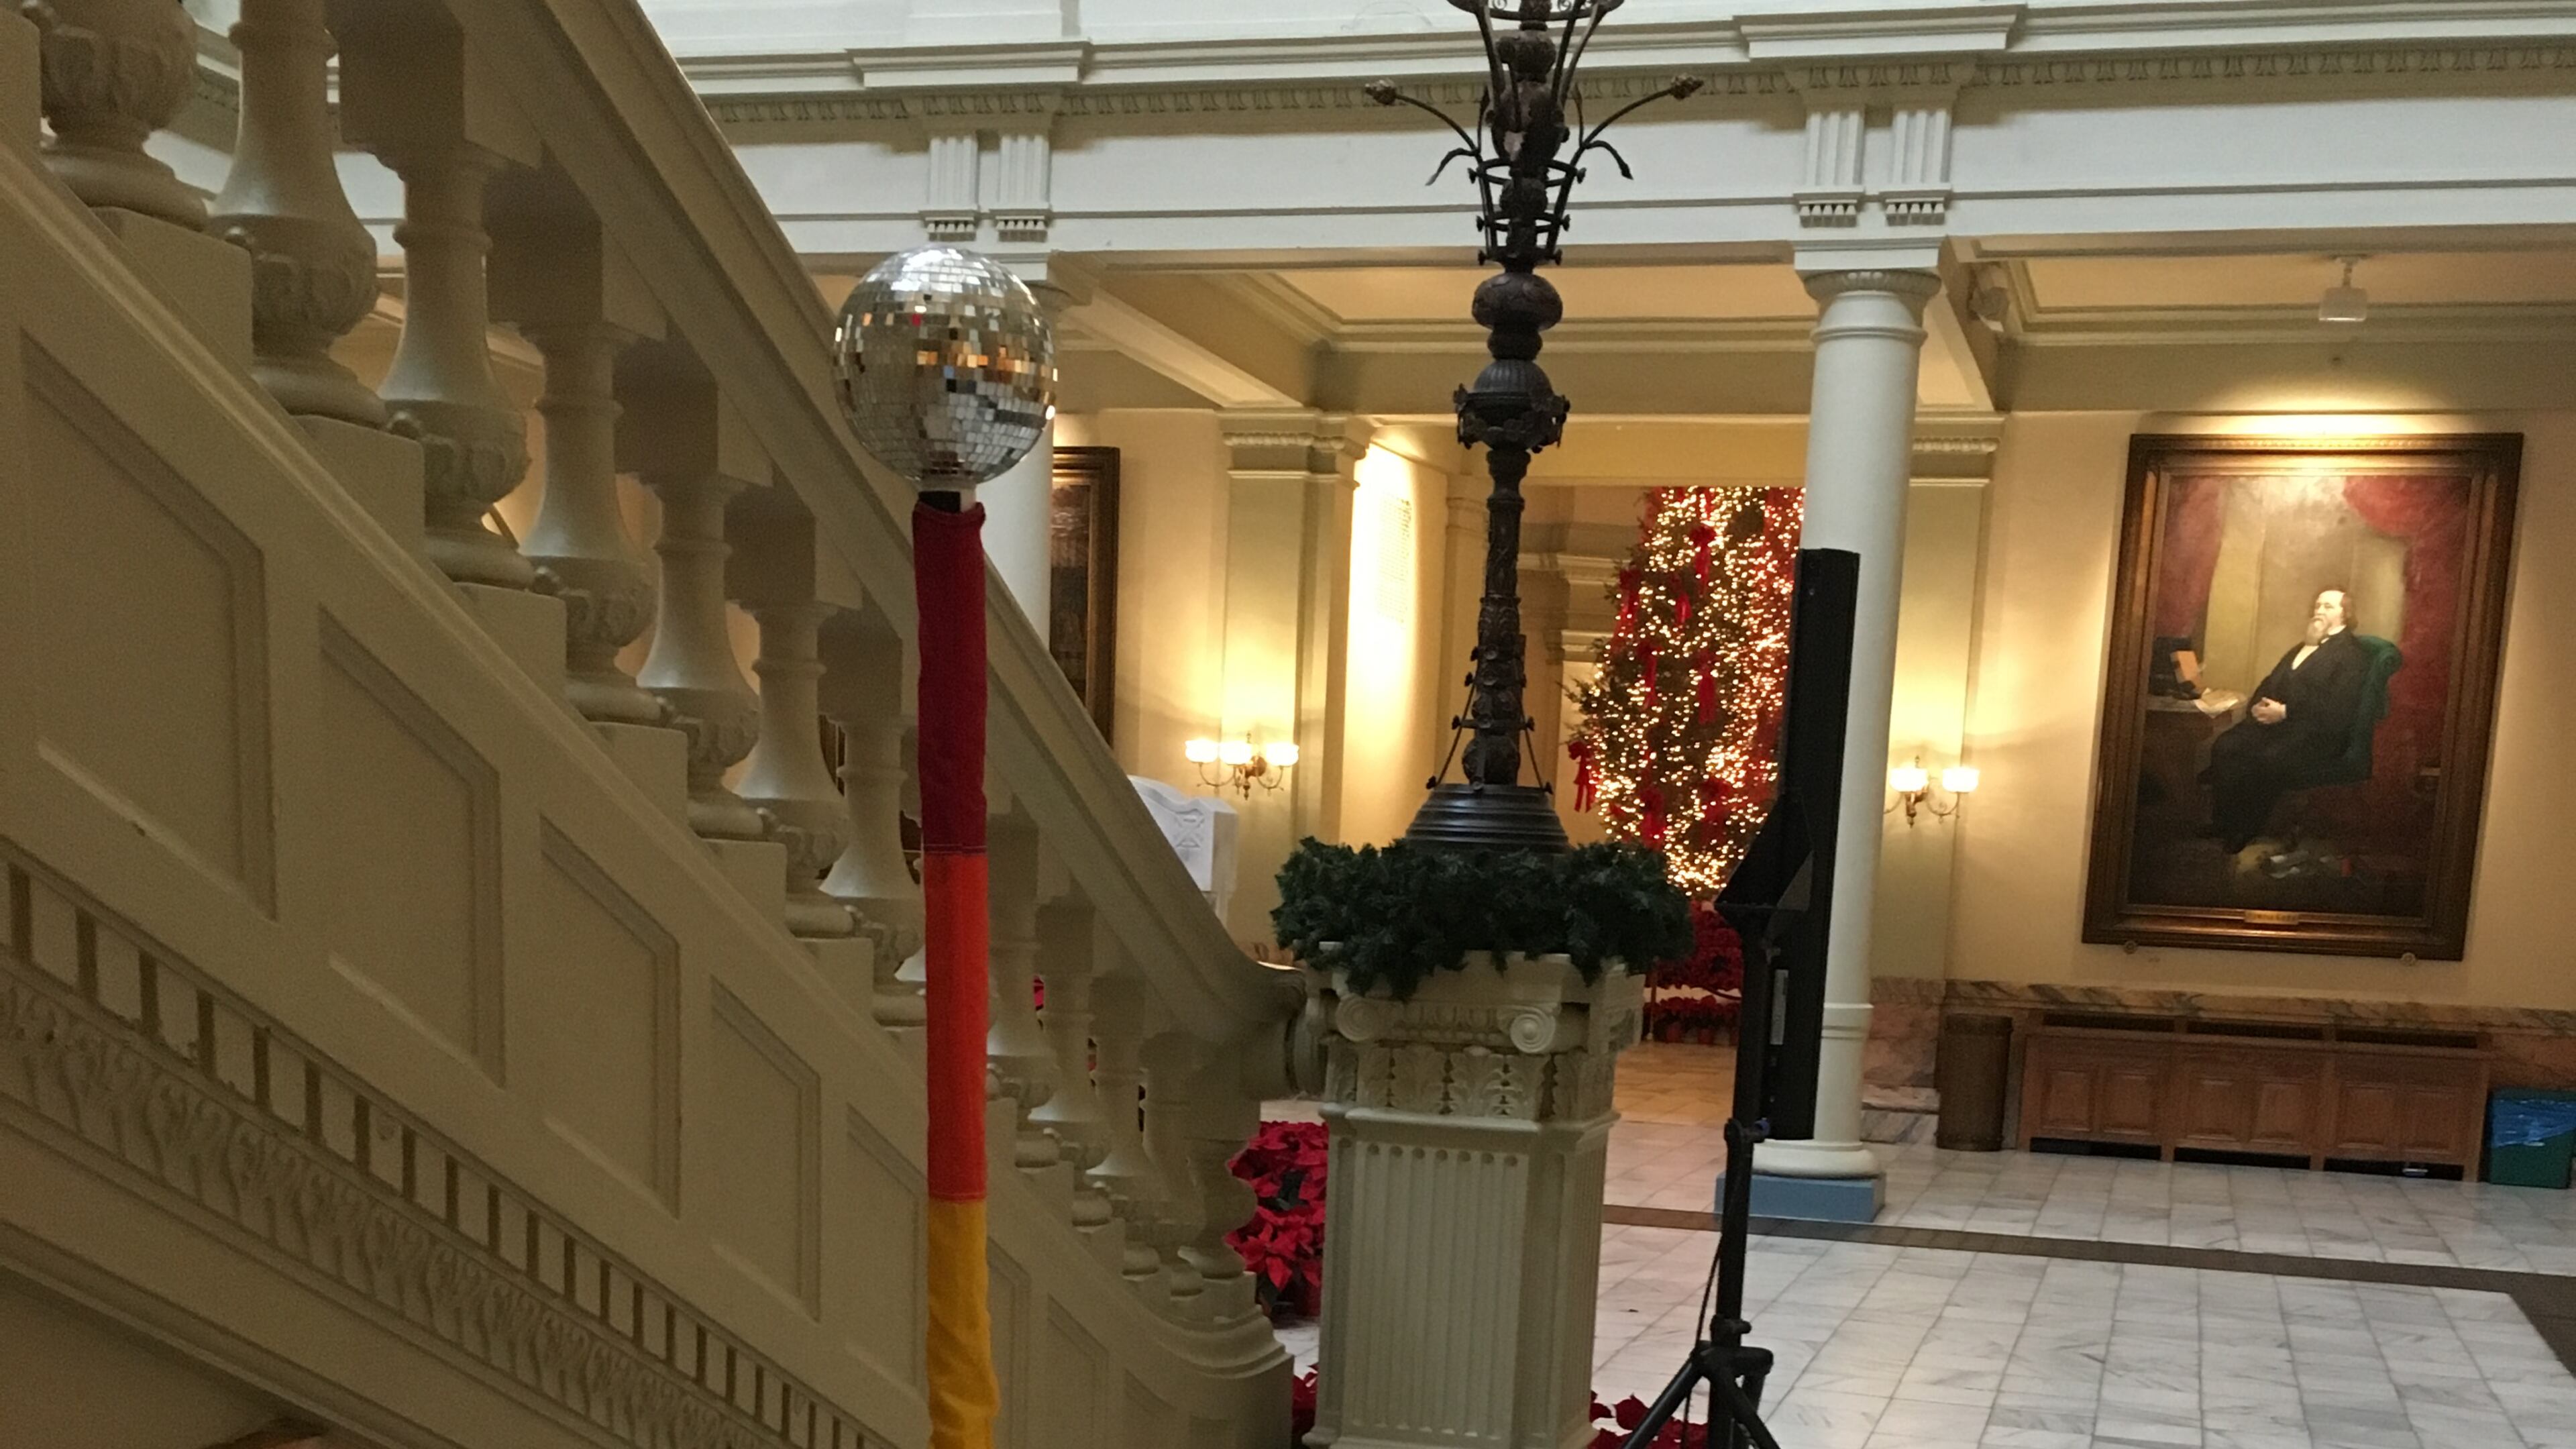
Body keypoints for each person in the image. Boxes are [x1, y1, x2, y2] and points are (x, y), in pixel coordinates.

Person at [2202, 588, 2377, 853]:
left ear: (2345, 614)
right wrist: (2259, 706)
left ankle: (2245, 829)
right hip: (2280, 726)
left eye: (2328, 606)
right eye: (2317, 605)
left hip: (2319, 735)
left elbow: (2338, 708)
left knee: (2268, 757)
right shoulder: (2303, 646)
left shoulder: (2351, 654)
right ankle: (2223, 823)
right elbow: (2270, 682)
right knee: (2227, 745)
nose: (2319, 611)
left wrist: (2285, 712)